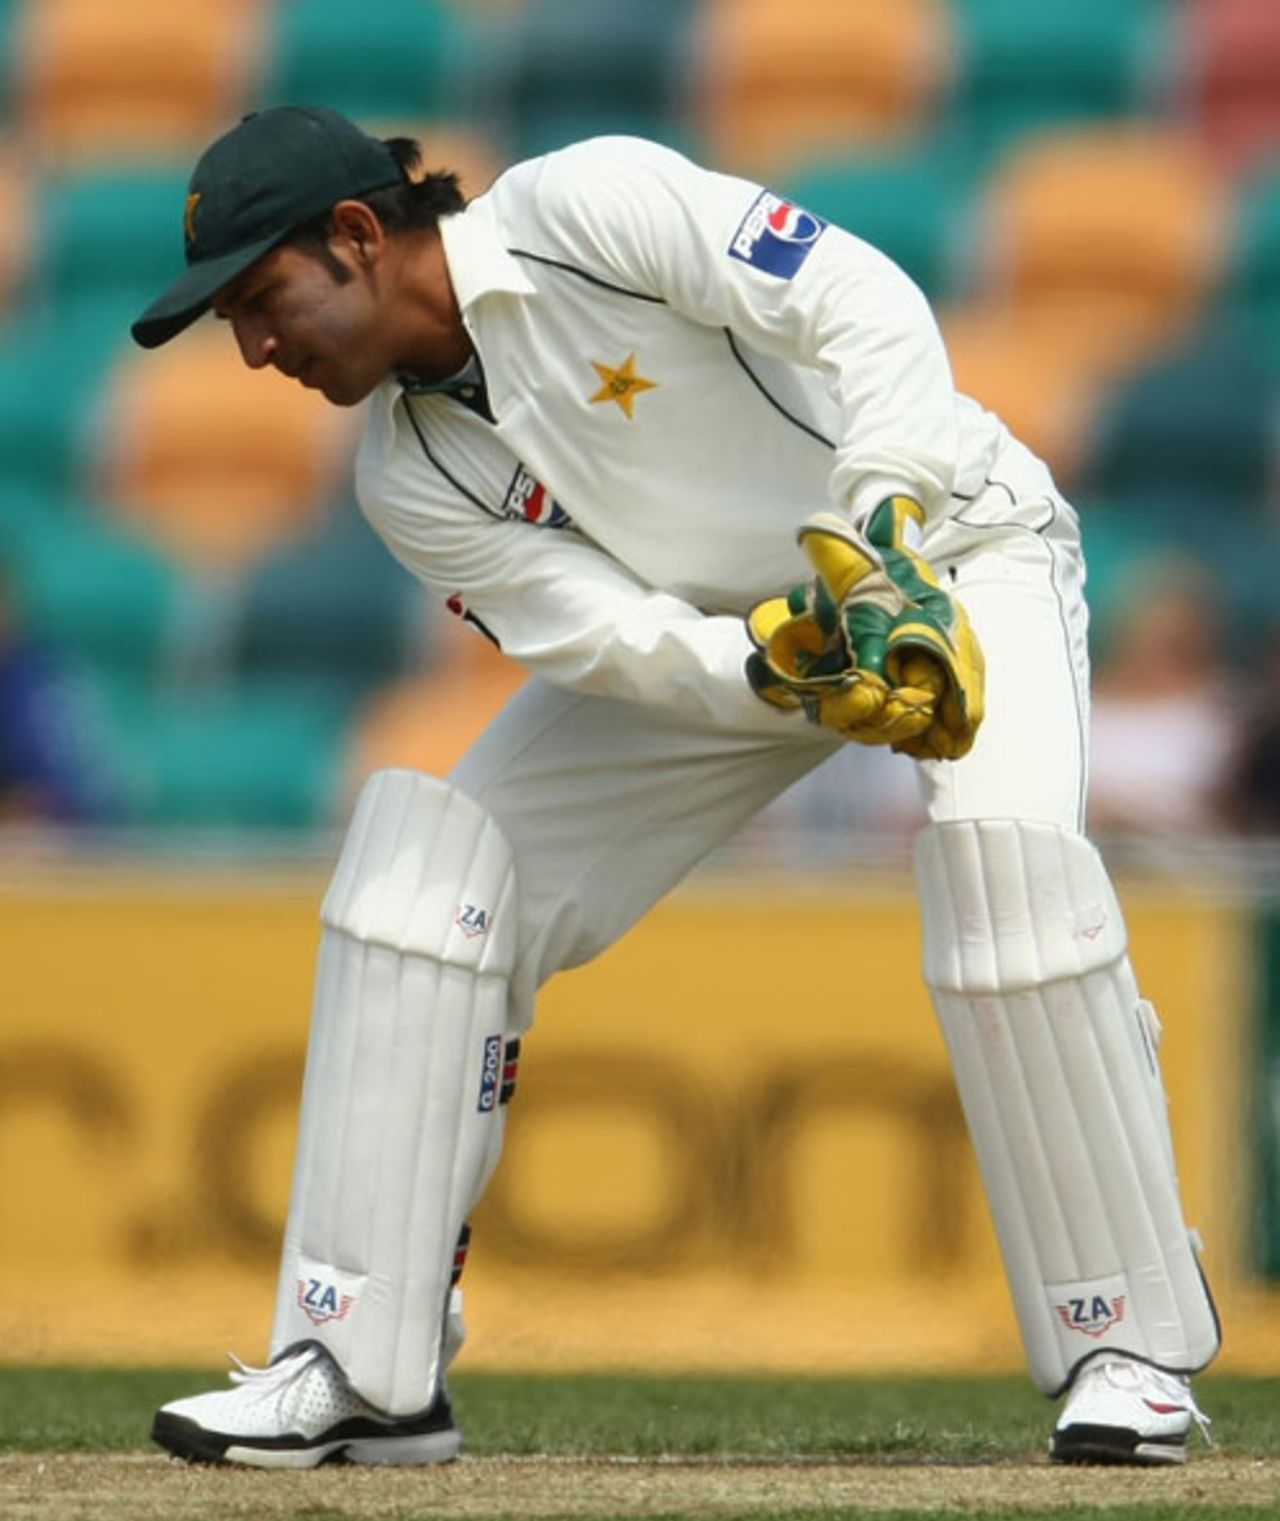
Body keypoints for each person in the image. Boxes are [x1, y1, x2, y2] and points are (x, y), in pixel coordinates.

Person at [130, 106, 1220, 1469]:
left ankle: (1127, 1346)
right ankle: (360, 1359)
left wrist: (878, 522)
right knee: (431, 874)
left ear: (357, 233)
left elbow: (854, 294)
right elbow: (600, 638)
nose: (254, 348)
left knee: (1005, 863)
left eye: (259, 297)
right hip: (747, 641)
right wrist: (779, 663)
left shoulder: (584, 208)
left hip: (950, 541)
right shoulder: (407, 473)